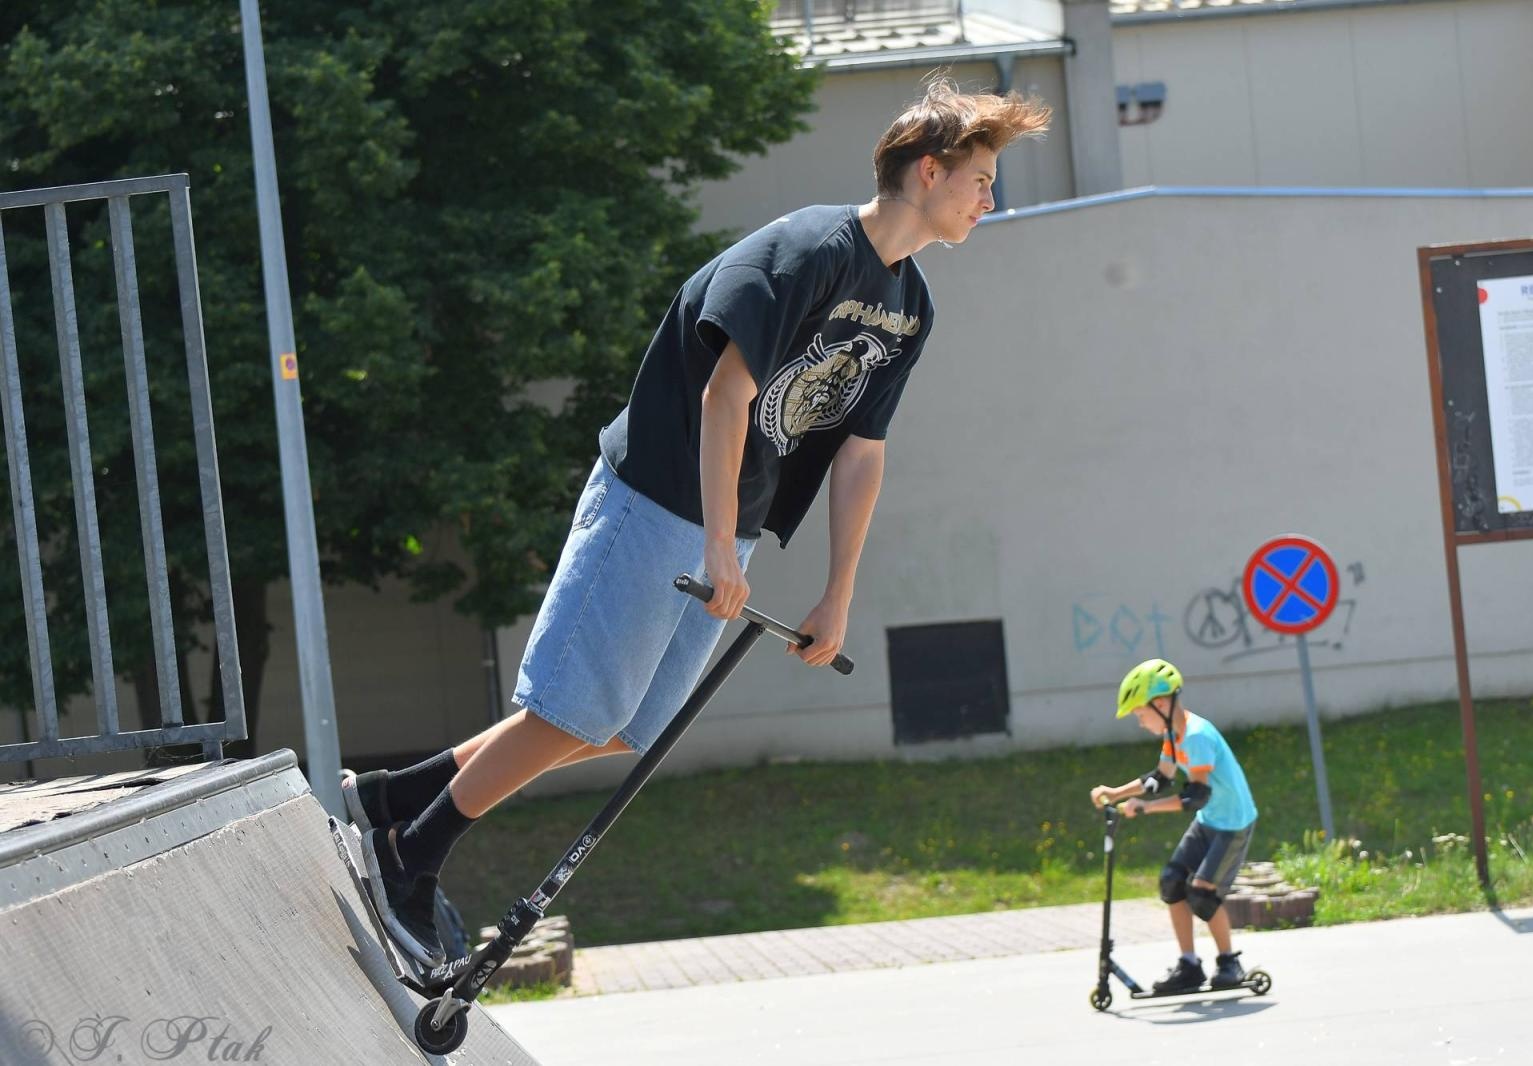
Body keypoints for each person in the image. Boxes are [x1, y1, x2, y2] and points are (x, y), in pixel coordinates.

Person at [341, 79, 1052, 963]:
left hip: (729, 519)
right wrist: (717, 543)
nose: (992, 198)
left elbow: (861, 452)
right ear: (930, 170)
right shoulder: (807, 250)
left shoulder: (910, 307)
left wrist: (836, 594)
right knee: (574, 709)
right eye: (982, 179)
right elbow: (726, 395)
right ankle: (408, 852)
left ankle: (390, 798)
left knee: (620, 728)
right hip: (659, 494)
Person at [1090, 658, 1259, 994]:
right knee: (1172, 882)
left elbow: (1195, 796)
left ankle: (1229, 962)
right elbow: (1160, 779)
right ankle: (1189, 966)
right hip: (1210, 819)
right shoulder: (1173, 733)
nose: (1140, 722)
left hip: (1232, 824)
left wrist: (1146, 808)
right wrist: (1117, 792)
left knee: (1202, 893)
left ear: (1162, 704)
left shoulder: (1195, 737)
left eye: (1141, 714)